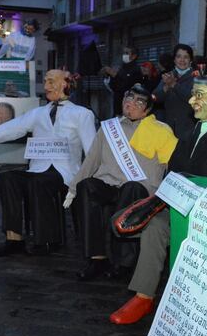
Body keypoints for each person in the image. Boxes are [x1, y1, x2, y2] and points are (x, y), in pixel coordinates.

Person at [109, 69, 207, 325]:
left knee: (156, 228)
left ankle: (148, 295)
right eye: (194, 95)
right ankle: (144, 295)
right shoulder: (189, 133)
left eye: (200, 96)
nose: (192, 101)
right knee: (144, 224)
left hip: (202, 214)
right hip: (178, 205)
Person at [64, 84, 177, 281]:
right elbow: (91, 160)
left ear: (148, 109)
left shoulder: (161, 131)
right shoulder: (109, 128)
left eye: (138, 101)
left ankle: (124, 262)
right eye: (128, 97)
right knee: (87, 187)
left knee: (131, 188)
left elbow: (172, 166)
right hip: (109, 184)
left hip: (141, 189)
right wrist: (73, 188)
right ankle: (97, 258)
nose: (130, 103)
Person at [0, 70, 96, 256]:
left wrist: (83, 181)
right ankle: (14, 239)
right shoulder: (39, 113)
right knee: (6, 178)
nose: (46, 86)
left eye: (51, 81)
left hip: (64, 172)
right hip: (39, 169)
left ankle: (48, 240)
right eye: (45, 81)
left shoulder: (82, 114)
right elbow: (17, 126)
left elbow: (92, 150)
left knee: (38, 182)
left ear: (65, 84)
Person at [154, 44, 196, 141]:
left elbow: (192, 99)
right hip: (167, 127)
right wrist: (166, 87)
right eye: (179, 56)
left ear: (190, 60)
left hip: (188, 129)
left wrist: (174, 85)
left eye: (186, 57)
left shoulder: (197, 78)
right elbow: (155, 97)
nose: (182, 60)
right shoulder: (168, 76)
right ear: (174, 60)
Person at [101, 44, 143, 118]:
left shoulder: (136, 70)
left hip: (129, 109)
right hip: (117, 107)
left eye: (127, 53)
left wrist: (115, 75)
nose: (124, 55)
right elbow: (113, 87)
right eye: (123, 53)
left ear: (134, 56)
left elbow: (127, 87)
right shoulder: (121, 68)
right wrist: (110, 76)